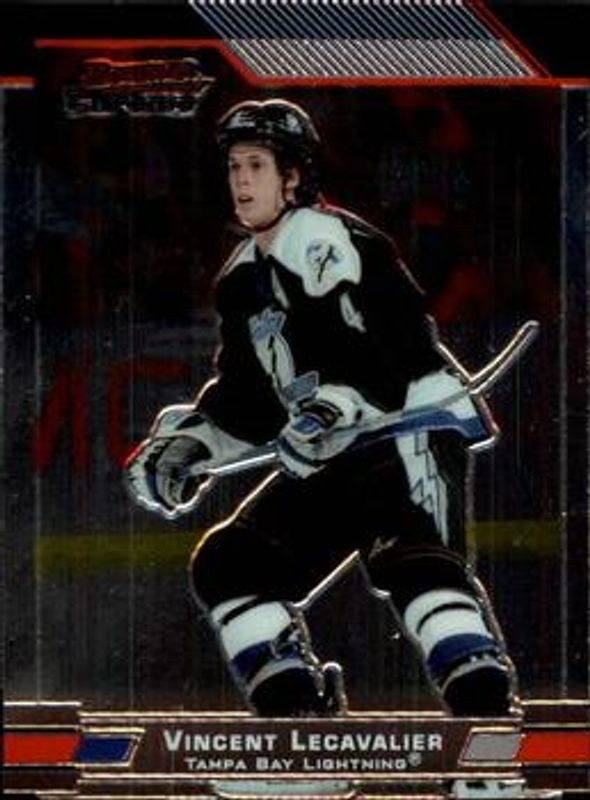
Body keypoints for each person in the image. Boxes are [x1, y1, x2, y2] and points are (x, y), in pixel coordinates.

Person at [125, 99, 526, 799]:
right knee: (232, 562)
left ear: (293, 177)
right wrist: (190, 445)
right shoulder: (242, 278)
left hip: (402, 428)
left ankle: (489, 751)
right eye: (234, 166)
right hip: (334, 450)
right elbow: (249, 400)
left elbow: (391, 348)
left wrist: (329, 408)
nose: (241, 180)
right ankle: (300, 739)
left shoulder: (327, 237)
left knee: (415, 561)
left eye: (256, 165)